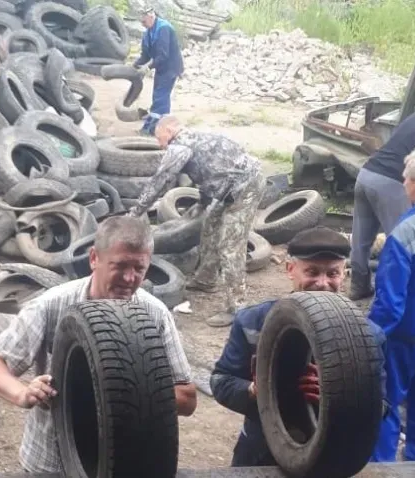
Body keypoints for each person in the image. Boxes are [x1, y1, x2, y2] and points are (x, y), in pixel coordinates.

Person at [0, 215, 196, 474]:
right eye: (120, 265)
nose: (130, 278)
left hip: (120, 464)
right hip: (50, 463)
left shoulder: (155, 314)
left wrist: (125, 395)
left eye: (139, 268)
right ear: (93, 259)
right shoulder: (52, 305)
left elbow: (187, 398)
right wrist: (22, 393)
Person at [211, 226, 387, 467]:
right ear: (290, 269)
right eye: (312, 271)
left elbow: (382, 406)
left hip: (330, 458)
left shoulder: (368, 335)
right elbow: (221, 381)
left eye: (332, 273)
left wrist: (342, 395)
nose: (323, 283)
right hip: (260, 452)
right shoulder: (252, 322)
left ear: (343, 274)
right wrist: (254, 390)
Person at [128, 115, 266, 327]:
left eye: (158, 136)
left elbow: (160, 181)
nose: (158, 143)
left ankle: (238, 307)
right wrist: (204, 200)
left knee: (230, 246)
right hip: (228, 187)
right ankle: (206, 279)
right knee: (210, 226)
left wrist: (135, 213)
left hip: (245, 186)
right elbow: (213, 170)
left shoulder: (180, 146)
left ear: (169, 130)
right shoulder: (197, 138)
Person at [369, 145, 415, 462]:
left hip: (406, 339)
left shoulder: (406, 231)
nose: (403, 185)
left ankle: (383, 467)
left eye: (404, 180)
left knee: (385, 407)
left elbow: (390, 304)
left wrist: (368, 340)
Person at [349, 106, 415, 300]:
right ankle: (397, 297)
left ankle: (359, 287)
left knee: (361, 240)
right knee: (403, 245)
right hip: (395, 182)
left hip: (367, 174)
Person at [132, 6, 184, 136]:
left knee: (160, 96)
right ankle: (165, 128)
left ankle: (149, 129)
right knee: (159, 95)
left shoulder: (163, 28)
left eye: (144, 21)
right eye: (141, 22)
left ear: (151, 16)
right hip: (161, 68)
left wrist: (148, 67)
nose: (142, 25)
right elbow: (145, 55)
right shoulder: (148, 32)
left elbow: (163, 55)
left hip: (171, 67)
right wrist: (135, 65)